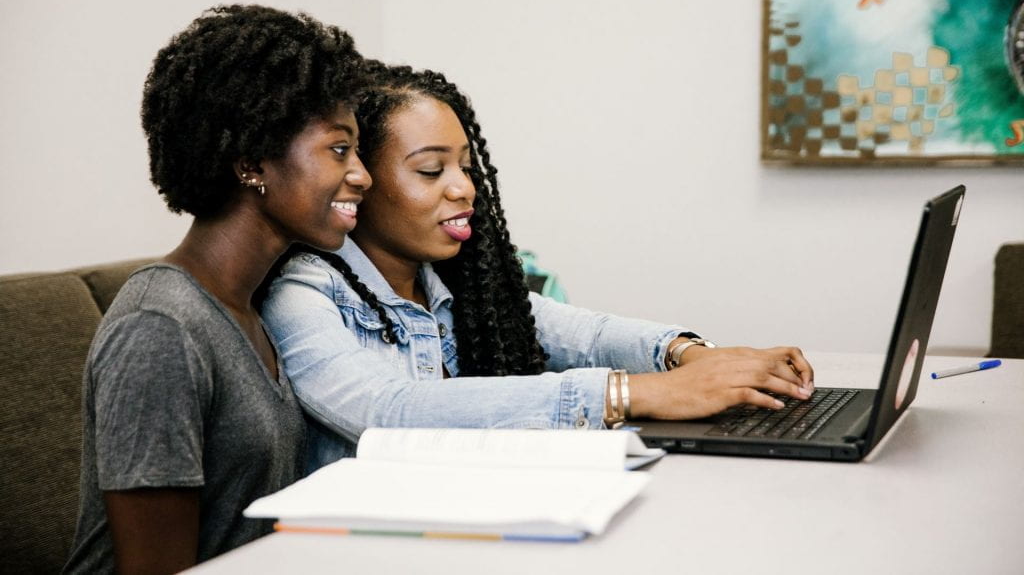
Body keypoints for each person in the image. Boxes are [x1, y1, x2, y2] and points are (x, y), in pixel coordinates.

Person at [261, 63, 814, 471]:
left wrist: (694, 357)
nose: (464, 189)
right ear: (361, 179)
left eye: (465, 167)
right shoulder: (304, 290)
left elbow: (586, 335)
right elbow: (385, 408)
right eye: (431, 171)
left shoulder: (454, 284)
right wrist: (633, 395)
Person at [64, 5, 371, 573]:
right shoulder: (160, 328)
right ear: (253, 161)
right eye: (338, 148)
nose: (362, 174)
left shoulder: (259, 306)